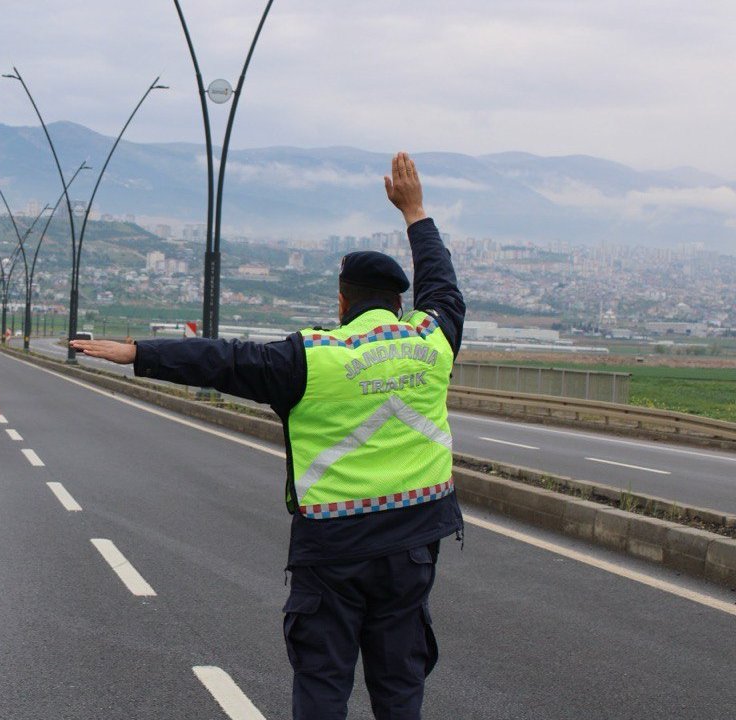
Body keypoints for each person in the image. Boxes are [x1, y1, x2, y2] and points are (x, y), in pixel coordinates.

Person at [71, 152, 464, 720]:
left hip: (332, 554)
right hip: (412, 548)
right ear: (400, 304)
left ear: (342, 302)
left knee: (324, 687)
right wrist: (416, 214)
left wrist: (138, 353)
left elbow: (223, 360)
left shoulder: (311, 357)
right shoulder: (433, 342)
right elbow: (444, 289)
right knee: (400, 689)